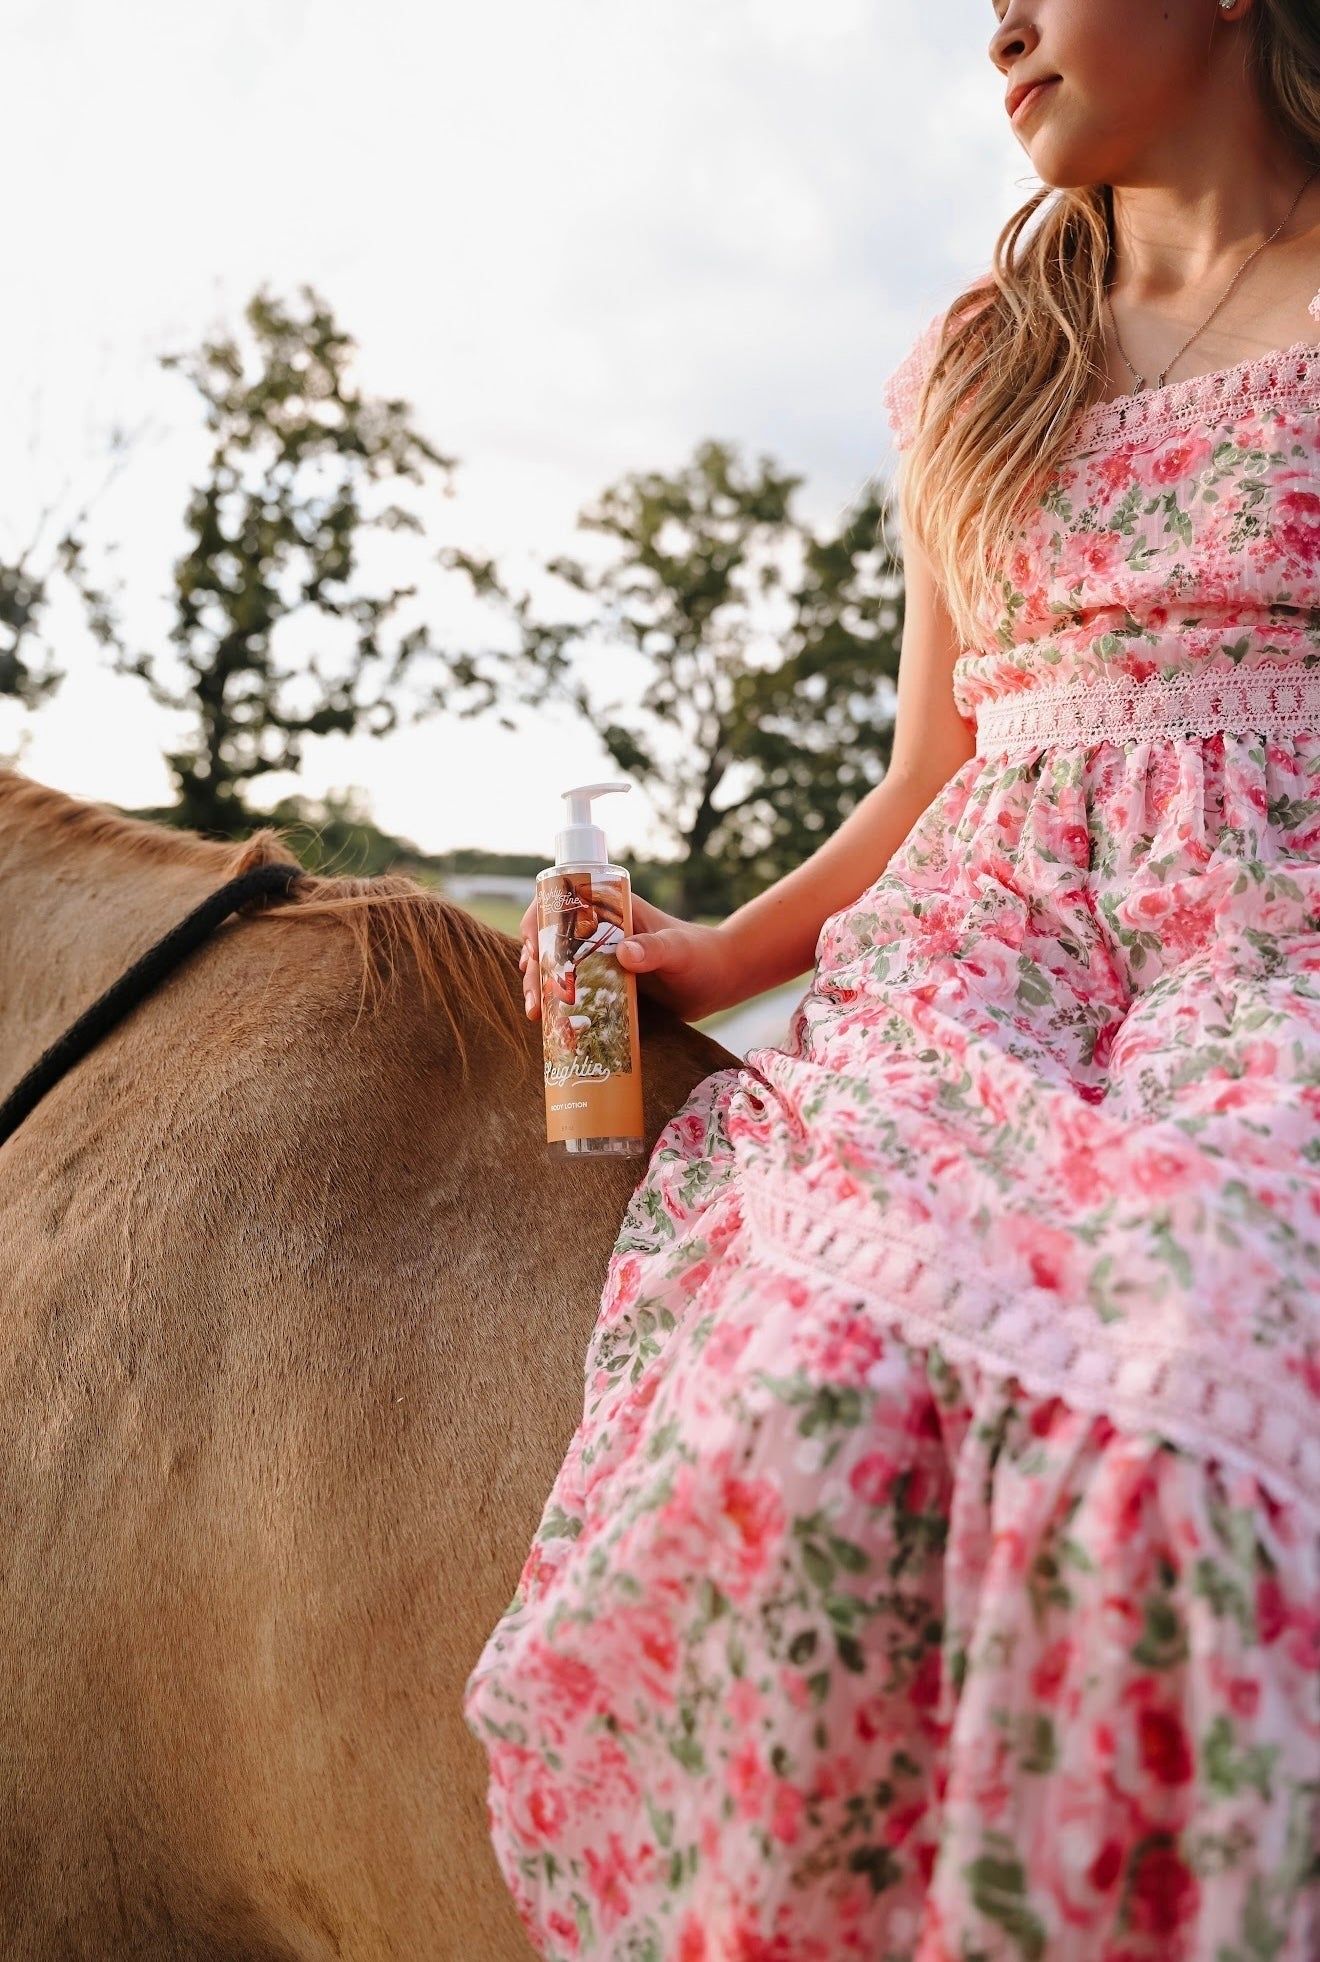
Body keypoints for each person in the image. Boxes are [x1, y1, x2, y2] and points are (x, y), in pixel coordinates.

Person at [466, 0, 1320, 1953]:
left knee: (1196, 1377)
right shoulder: (980, 359)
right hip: (987, 978)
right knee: (803, 1400)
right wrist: (712, 950)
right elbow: (932, 766)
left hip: (1277, 960)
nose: (995, 21)